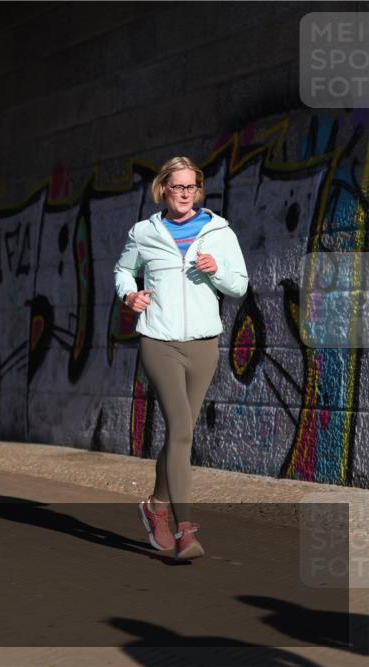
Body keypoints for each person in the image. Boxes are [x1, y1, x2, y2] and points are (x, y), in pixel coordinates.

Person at [114, 156, 249, 561]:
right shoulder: (144, 232)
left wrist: (216, 271)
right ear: (163, 189)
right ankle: (184, 529)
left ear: (199, 190)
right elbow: (123, 270)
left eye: (192, 186)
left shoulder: (219, 231)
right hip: (159, 342)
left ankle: (155, 505)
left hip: (204, 344)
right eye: (178, 187)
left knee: (181, 432)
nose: (186, 194)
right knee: (181, 429)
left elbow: (239, 285)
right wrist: (129, 295)